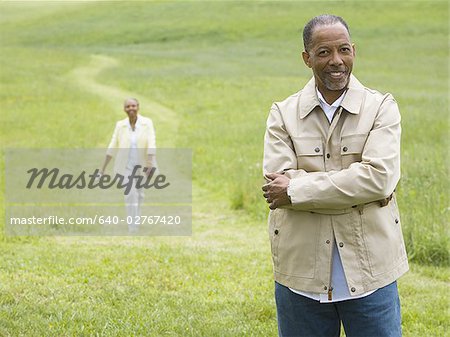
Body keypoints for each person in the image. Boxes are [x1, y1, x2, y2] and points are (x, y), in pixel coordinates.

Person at [262, 14, 409, 337]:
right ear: (307, 58)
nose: (336, 61)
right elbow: (277, 184)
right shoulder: (282, 114)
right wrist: (358, 189)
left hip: (372, 274)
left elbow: (379, 178)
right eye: (324, 52)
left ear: (354, 51)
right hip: (301, 277)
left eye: (344, 50)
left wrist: (297, 191)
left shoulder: (381, 107)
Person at [100, 98, 156, 233]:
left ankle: (136, 219)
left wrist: (149, 162)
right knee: (130, 193)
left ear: (138, 107)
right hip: (125, 166)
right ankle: (133, 227)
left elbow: (152, 142)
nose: (131, 108)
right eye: (128, 106)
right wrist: (103, 167)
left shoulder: (147, 123)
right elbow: (113, 145)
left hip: (143, 164)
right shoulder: (120, 125)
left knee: (140, 195)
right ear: (124, 109)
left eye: (133, 106)